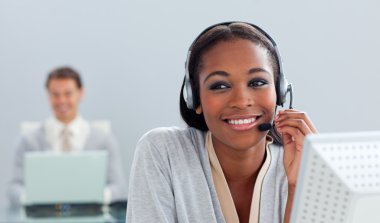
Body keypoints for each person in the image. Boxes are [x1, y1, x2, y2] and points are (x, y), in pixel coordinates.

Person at [126, 22, 318, 223]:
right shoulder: (164, 153)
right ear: (195, 99)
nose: (241, 101)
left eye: (257, 82)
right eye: (220, 86)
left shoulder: (299, 165)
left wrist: (298, 188)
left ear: (280, 93)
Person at [8, 66, 126, 207]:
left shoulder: (104, 140)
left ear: (80, 93)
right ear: (48, 95)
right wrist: (33, 198)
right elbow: (13, 188)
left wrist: (95, 197)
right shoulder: (27, 141)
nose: (61, 101)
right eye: (55, 95)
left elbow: (118, 187)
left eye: (68, 93)